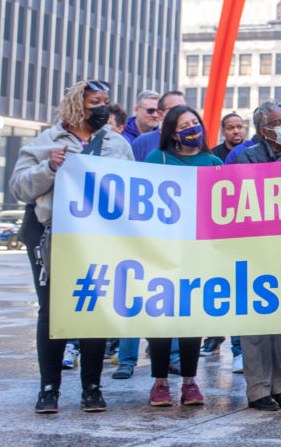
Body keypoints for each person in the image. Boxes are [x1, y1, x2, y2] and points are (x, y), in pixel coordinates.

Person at [10, 79, 134, 413]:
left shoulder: (117, 144)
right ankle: (48, 389)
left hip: (99, 238)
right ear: (77, 105)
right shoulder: (47, 141)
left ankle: (92, 389)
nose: (103, 108)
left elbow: (134, 190)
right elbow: (19, 188)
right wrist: (49, 167)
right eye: (96, 102)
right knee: (52, 311)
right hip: (52, 236)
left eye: (106, 101)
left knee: (93, 311)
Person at [143, 105, 223, 407]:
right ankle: (159, 382)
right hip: (162, 250)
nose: (193, 127)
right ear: (172, 133)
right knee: (161, 318)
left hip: (198, 251)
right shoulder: (157, 159)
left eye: (195, 122)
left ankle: (190, 381)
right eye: (185, 124)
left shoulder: (213, 161)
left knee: (192, 319)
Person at [228, 101, 281, 410]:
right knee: (256, 324)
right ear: (264, 130)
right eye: (280, 121)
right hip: (253, 250)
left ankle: (278, 386)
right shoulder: (244, 159)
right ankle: (258, 389)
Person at [114, 89, 187, 381]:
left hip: (179, 235)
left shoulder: (193, 146)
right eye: (171, 109)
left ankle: (174, 356)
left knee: (174, 296)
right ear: (160, 113)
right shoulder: (144, 144)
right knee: (134, 293)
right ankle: (127, 360)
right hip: (144, 232)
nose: (179, 115)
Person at [131, 91, 186, 161]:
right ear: (160, 115)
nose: (180, 113)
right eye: (174, 109)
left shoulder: (195, 140)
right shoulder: (142, 142)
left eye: (183, 109)